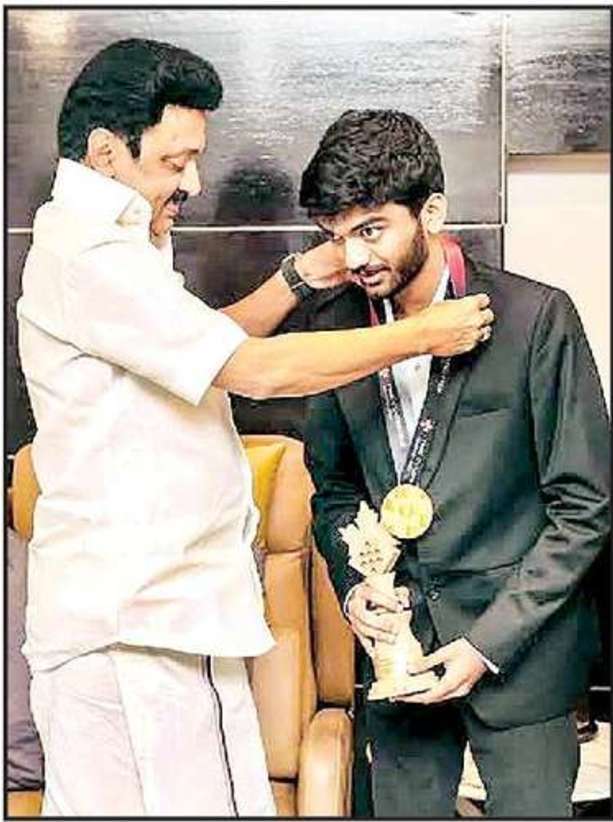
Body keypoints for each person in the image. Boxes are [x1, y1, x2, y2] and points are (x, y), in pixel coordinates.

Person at [16, 41, 493, 817]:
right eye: (176, 162)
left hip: (137, 624)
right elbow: (253, 371)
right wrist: (423, 335)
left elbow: (199, 347)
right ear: (106, 153)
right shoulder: (93, 255)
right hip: (145, 628)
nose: (193, 183)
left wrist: (298, 278)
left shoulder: (106, 243)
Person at [301, 109, 610, 818]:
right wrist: (354, 590)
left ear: (432, 213)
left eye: (371, 230)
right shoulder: (334, 329)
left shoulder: (535, 318)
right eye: (337, 236)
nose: (353, 257)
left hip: (521, 659)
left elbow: (585, 506)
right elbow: (333, 490)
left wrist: (485, 644)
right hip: (396, 658)